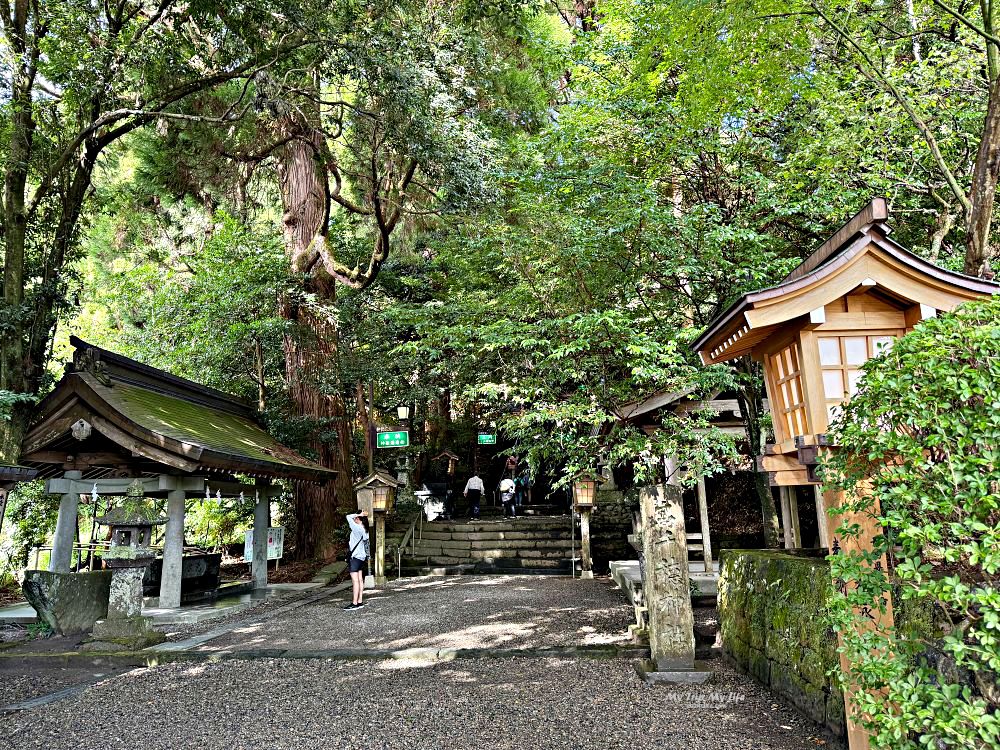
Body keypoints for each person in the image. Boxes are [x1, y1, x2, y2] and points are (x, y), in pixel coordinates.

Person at [345, 510, 370, 611]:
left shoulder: (356, 528)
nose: (354, 518)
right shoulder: (365, 529)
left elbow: (348, 516)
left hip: (355, 558)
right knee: (360, 580)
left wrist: (359, 514)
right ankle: (359, 601)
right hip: (361, 557)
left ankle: (354, 603)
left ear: (358, 519)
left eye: (356, 517)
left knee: (355, 581)